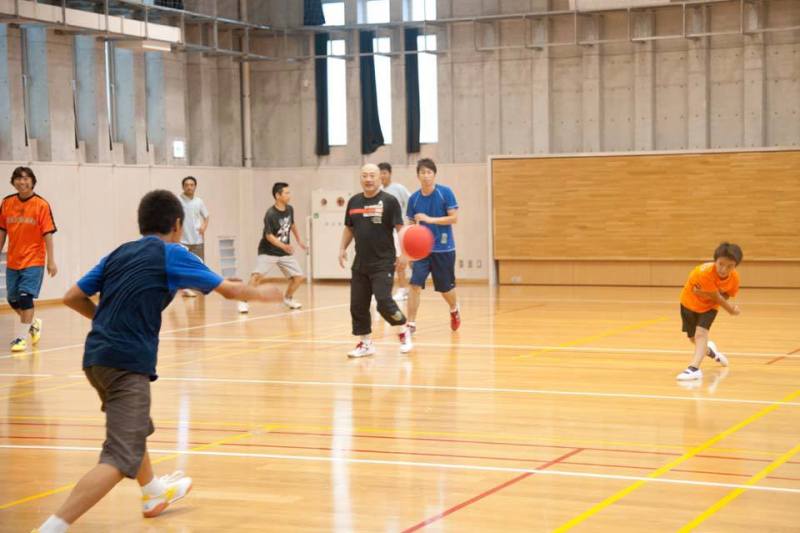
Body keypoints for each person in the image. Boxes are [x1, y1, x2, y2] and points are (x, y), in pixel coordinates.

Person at [31, 190, 281, 533]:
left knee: (133, 430)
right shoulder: (173, 253)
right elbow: (230, 290)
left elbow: (72, 296)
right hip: (126, 363)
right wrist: (265, 294)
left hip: (96, 359)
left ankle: (153, 493)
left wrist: (104, 321)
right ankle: (51, 528)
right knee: (119, 458)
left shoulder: (119, 252)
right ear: (178, 225)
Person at [339, 164, 412, 357]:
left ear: (380, 178)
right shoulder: (354, 202)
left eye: (372, 175)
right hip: (360, 263)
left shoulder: (389, 201)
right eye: (364, 176)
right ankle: (365, 343)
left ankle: (403, 329)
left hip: (383, 262)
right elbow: (349, 228)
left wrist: (404, 253)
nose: (368, 179)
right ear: (360, 179)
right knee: (358, 305)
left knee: (383, 301)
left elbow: (400, 228)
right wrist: (342, 248)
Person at [0, 166, 57, 352]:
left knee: (25, 297)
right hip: (13, 260)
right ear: (13, 181)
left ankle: (21, 338)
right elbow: (2, 231)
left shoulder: (41, 205)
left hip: (34, 259)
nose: (22, 182)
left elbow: (48, 233)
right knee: (12, 299)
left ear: (32, 182)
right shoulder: (7, 203)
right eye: (18, 178)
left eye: (26, 178)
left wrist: (51, 260)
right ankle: (33, 324)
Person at [405, 158, 461, 333]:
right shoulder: (413, 199)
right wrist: (409, 252)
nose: (426, 176)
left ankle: (454, 309)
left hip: (443, 249)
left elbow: (454, 218)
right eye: (423, 172)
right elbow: (411, 226)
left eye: (429, 172)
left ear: (434, 175)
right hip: (421, 252)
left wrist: (430, 219)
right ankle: (411, 323)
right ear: (418, 175)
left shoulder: (445, 193)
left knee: (445, 289)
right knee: (414, 285)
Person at [676, 242, 743, 381]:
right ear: (715, 261)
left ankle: (693, 369)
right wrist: (731, 310)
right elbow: (717, 297)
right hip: (688, 303)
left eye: (730, 266)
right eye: (721, 264)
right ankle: (713, 353)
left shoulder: (734, 279)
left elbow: (724, 296)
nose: (724, 269)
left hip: (709, 308)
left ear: (735, 266)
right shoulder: (704, 273)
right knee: (693, 338)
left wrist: (707, 295)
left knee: (701, 334)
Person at [238, 182, 307, 313]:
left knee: (298, 277)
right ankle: (243, 300)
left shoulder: (290, 209)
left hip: (284, 252)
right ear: (277, 195)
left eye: (289, 192)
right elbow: (269, 236)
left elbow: (292, 224)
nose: (289, 195)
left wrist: (299, 240)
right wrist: (284, 246)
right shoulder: (270, 214)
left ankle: (288, 298)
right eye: (286, 193)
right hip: (268, 251)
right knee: (257, 276)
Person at [378, 162, 411, 302]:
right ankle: (387, 291)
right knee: (388, 261)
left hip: (398, 230)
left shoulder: (398, 188)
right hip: (384, 231)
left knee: (400, 260)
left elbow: (411, 203)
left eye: (384, 173)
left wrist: (409, 223)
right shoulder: (378, 190)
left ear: (390, 174)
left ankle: (403, 289)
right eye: (380, 173)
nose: (382, 176)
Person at [178, 176, 209, 297]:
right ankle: (185, 288)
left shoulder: (199, 201)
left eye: (192, 185)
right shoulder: (178, 200)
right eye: (187, 185)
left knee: (198, 264)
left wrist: (204, 227)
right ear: (183, 186)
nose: (189, 187)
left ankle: (198, 286)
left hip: (197, 239)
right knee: (182, 264)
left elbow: (206, 216)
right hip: (182, 240)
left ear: (195, 186)